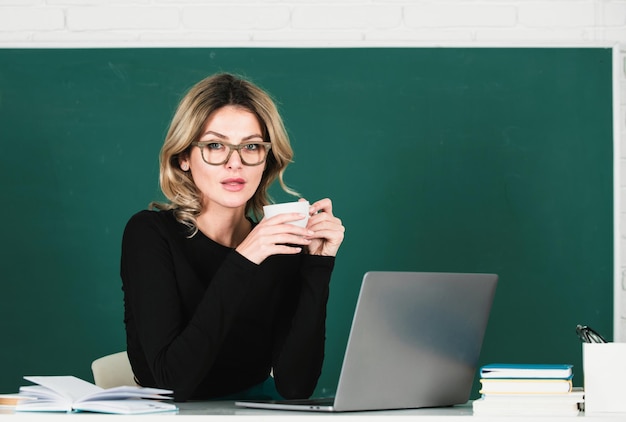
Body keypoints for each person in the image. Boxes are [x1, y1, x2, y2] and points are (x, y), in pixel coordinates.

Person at [120, 73, 345, 402]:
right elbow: (172, 383)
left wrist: (317, 265)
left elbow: (296, 387)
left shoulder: (278, 244)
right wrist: (245, 258)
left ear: (266, 159)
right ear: (184, 157)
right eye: (215, 146)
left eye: (251, 146)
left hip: (252, 411)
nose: (235, 163)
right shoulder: (150, 234)